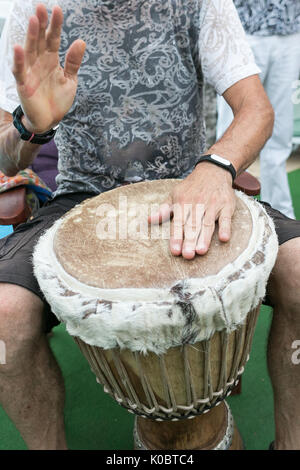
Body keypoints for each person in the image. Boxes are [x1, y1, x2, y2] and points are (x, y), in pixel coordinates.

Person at [0, 0, 299, 450]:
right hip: (81, 200)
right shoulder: (34, 11)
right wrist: (30, 127)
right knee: (5, 316)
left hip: (191, 185)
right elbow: (5, 156)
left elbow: (255, 109)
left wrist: (216, 168)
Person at [217, 0, 300, 219]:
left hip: (290, 30)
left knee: (280, 136)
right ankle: (226, 212)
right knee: (231, 134)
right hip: (242, 31)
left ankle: (282, 216)